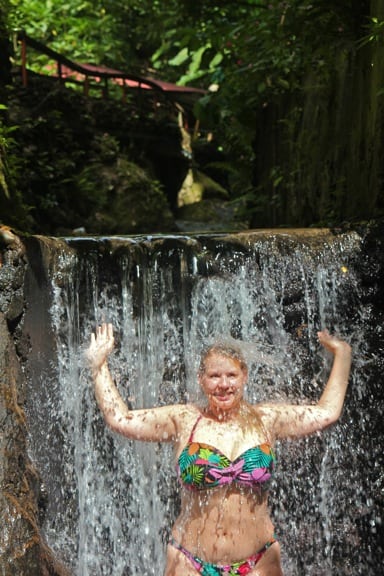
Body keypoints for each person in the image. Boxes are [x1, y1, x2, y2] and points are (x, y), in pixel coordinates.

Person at [87, 323, 352, 576]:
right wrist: (99, 366)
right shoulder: (184, 419)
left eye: (231, 375)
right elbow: (119, 419)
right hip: (189, 560)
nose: (223, 384)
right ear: (201, 379)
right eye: (214, 376)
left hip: (259, 560)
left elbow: (326, 412)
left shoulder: (268, 419)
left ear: (244, 376)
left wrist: (343, 353)